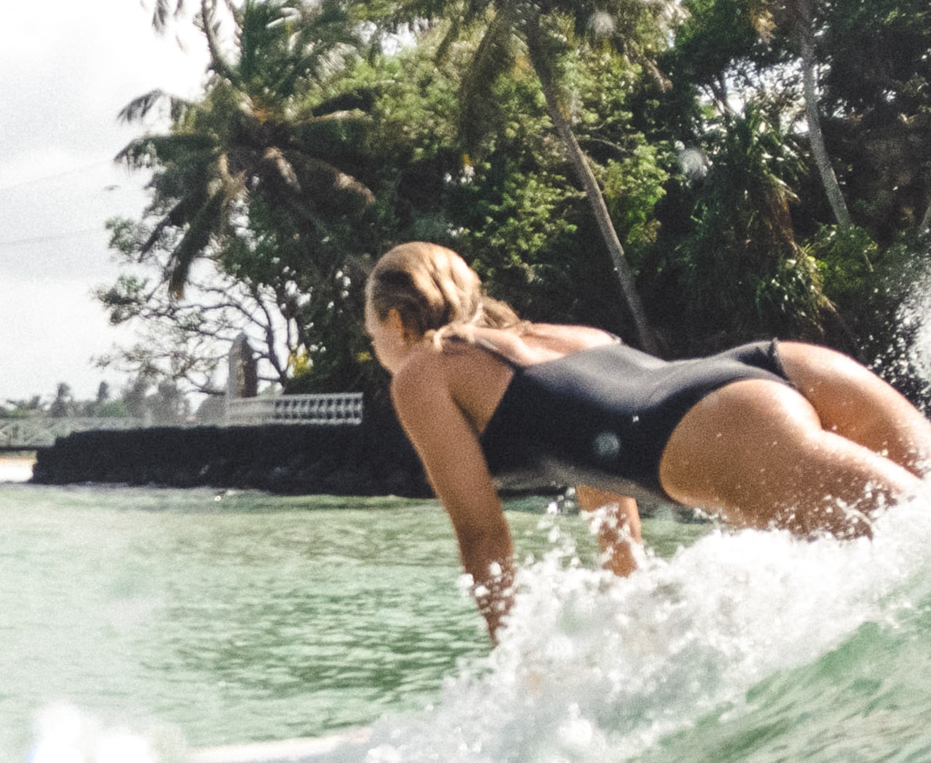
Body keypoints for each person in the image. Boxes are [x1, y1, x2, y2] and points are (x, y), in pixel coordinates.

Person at [364, 241, 931, 638]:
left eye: (370, 334)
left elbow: (482, 533)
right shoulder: (560, 336)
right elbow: (595, 461)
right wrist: (631, 606)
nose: (376, 350)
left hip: (722, 425)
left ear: (394, 320)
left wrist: (513, 667)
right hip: (779, 367)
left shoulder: (424, 370)